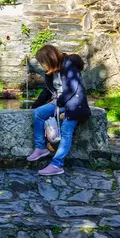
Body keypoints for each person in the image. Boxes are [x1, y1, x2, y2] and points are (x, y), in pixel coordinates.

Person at [26, 45, 91, 176]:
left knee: (66, 130)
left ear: (50, 59)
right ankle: (41, 148)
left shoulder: (69, 66)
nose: (41, 65)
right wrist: (36, 104)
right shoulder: (51, 72)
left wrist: (58, 103)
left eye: (42, 62)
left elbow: (73, 90)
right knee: (38, 113)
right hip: (61, 102)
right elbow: (46, 91)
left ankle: (57, 164)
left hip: (75, 105)